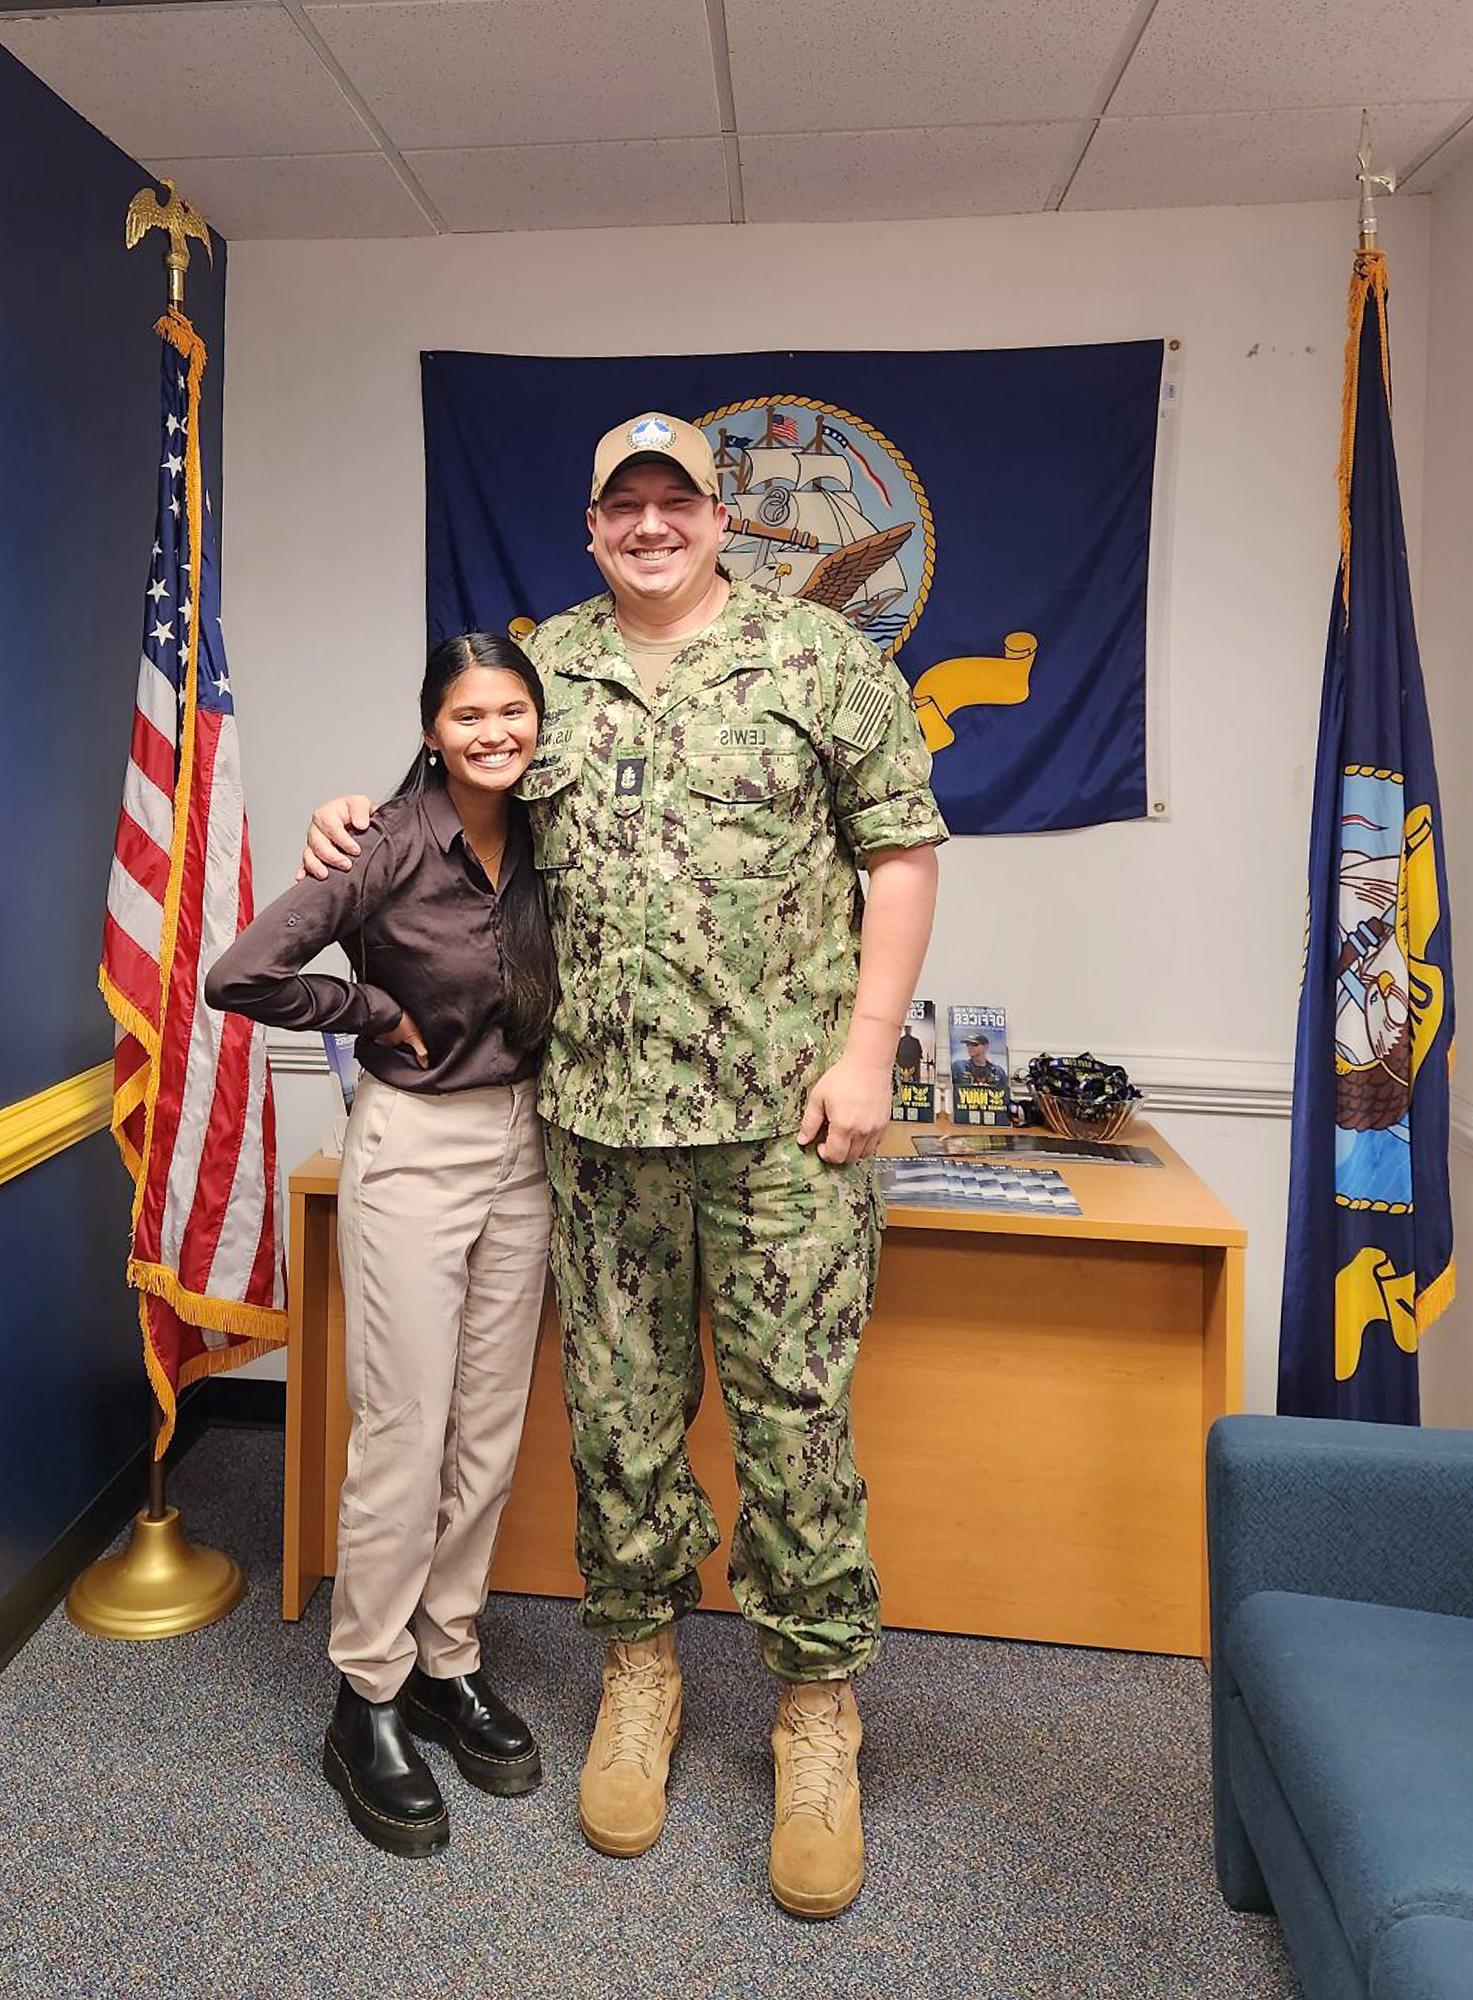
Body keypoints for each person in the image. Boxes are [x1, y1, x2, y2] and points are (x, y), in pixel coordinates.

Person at [302, 413, 946, 1915]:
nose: (651, 524)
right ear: (591, 528)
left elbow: (901, 852)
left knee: (795, 1426)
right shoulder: (549, 670)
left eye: (679, 502)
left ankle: (813, 1714)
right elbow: (450, 805)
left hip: (786, 1130)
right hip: (591, 1131)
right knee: (623, 1429)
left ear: (725, 520)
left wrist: (867, 1051)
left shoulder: (822, 662)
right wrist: (354, 813)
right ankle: (640, 1678)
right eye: (623, 506)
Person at [207, 632, 556, 1858]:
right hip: (414, 1144)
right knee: (402, 1427)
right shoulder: (384, 841)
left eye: (514, 710)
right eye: (470, 714)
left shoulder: (547, 839)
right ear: (431, 726)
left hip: (525, 1147)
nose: (495, 732)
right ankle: (365, 1691)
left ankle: (444, 1658)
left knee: (487, 1421)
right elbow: (241, 971)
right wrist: (371, 1007)